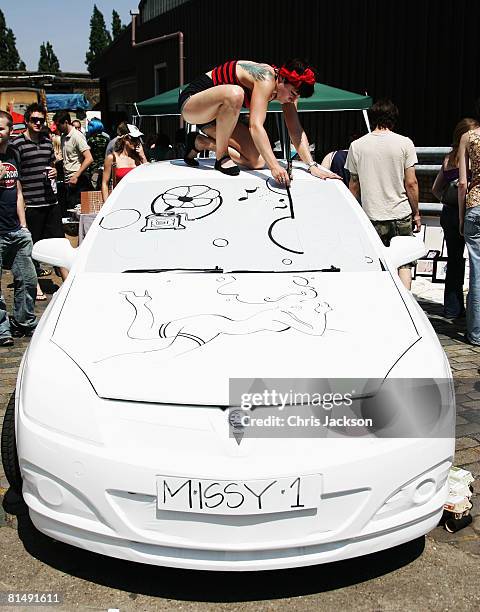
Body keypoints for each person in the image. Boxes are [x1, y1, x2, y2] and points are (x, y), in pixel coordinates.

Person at [178, 59, 339, 184]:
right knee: (235, 93)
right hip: (192, 104)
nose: (293, 99)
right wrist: (275, 167)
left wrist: (312, 166)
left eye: (297, 96)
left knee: (258, 161)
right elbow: (255, 126)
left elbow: (295, 129)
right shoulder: (266, 78)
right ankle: (221, 157)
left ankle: (201, 143)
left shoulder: (287, 94)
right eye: (292, 93)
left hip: (218, 120)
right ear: (282, 79)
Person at [345, 99, 421, 290]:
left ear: (371, 119)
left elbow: (354, 184)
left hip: (371, 214)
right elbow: (411, 182)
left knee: (377, 263)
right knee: (404, 263)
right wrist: (417, 213)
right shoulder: (405, 143)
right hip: (400, 212)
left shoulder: (357, 145)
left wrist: (351, 214)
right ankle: (406, 303)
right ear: (393, 119)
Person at [12, 103, 68, 297]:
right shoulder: (17, 144)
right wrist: (21, 203)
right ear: (27, 121)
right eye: (34, 119)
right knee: (30, 248)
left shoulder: (47, 142)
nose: (38, 123)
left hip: (50, 202)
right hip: (31, 203)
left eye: (41, 120)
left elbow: (51, 165)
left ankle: (68, 284)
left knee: (59, 244)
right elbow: (16, 176)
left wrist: (54, 170)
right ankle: (34, 286)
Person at [432, 118, 478, 319]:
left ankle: (452, 308)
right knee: (475, 263)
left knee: (454, 260)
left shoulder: (448, 158)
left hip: (449, 212)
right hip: (467, 209)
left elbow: (435, 189)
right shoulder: (472, 157)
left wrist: (446, 200)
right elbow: (464, 184)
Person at [0, 111, 37, 346]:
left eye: (0, 128)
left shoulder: (13, 153)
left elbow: (18, 191)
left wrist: (24, 225)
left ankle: (24, 322)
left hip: (16, 230)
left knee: (28, 279)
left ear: (9, 130)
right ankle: (2, 329)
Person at [458, 111, 480, 346]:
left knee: (477, 271)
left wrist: (462, 218)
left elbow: (463, 182)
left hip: (476, 204)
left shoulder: (468, 137)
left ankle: (475, 333)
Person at [53, 111, 93, 214]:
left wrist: (76, 175)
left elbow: (89, 158)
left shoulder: (77, 136)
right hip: (68, 180)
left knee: (78, 212)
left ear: (66, 122)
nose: (57, 127)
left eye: (58, 125)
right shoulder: (63, 137)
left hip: (79, 181)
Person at [101, 124, 148, 202]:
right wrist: (106, 206)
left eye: (138, 139)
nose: (136, 142)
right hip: (120, 201)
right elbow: (104, 183)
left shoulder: (139, 157)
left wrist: (143, 157)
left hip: (139, 200)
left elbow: (148, 177)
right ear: (125, 139)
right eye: (133, 139)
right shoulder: (112, 158)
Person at [86, 118, 109, 189]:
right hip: (104, 165)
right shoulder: (106, 138)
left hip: (93, 166)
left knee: (94, 186)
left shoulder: (90, 140)